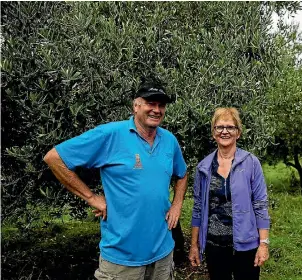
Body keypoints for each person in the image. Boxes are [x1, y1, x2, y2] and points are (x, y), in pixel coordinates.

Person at [43, 83, 188, 280]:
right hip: (121, 259)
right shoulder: (111, 134)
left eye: (161, 105)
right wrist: (91, 197)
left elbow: (182, 174)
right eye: (150, 103)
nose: (156, 110)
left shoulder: (169, 140)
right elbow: (54, 158)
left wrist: (177, 204)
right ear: (136, 106)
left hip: (163, 253)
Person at [188, 107, 270, 280]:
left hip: (246, 245)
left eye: (230, 127)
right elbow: (197, 208)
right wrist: (194, 245)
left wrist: (263, 244)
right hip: (214, 245)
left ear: (238, 133)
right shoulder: (204, 167)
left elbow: (260, 204)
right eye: (219, 127)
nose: (224, 131)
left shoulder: (251, 163)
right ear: (213, 133)